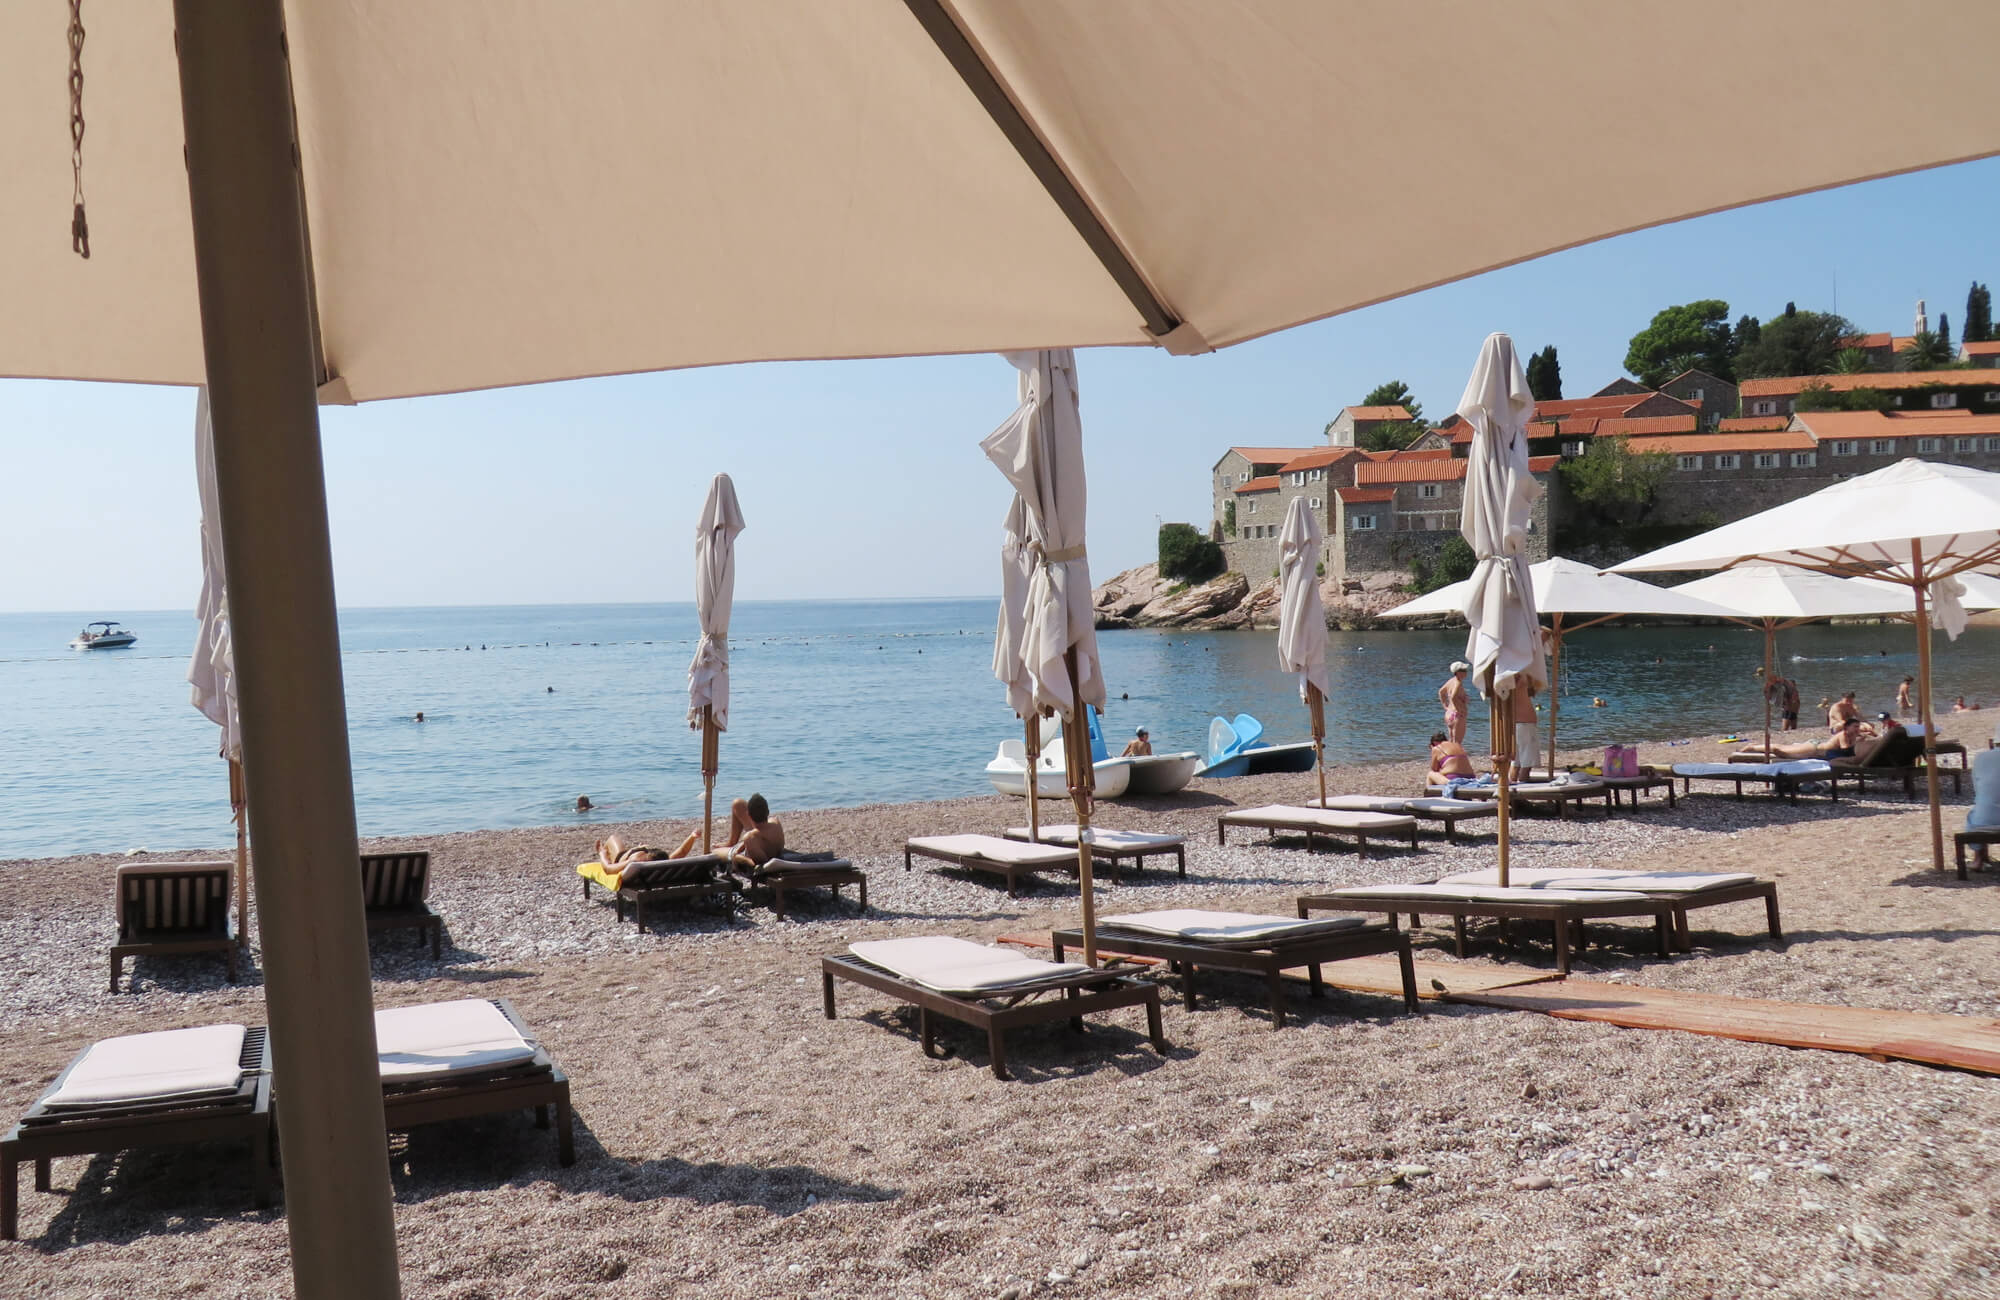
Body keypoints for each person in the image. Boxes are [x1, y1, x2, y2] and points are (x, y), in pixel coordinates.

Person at [596, 794, 787, 878]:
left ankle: (726, 847)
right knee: (737, 803)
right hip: (763, 839)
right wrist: (691, 837)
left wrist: (601, 854)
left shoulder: (750, 838)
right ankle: (729, 842)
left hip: (759, 853)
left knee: (715, 851)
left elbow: (758, 865)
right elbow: (678, 855)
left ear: (751, 817)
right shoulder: (775, 822)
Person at [1764, 717, 1866, 760]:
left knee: (1784, 747)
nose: (1858, 729)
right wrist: (1858, 743)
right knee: (1783, 749)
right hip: (1814, 748)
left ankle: (1755, 748)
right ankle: (1752, 748)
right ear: (1847, 727)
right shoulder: (1843, 735)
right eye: (1855, 726)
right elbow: (1846, 751)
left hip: (1817, 746)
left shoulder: (1854, 735)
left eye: (1858, 726)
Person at [1511, 682, 1540, 781]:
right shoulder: (1519, 682)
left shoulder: (1506, 685)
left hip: (1517, 723)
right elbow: (1533, 690)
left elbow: (1532, 692)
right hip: (1525, 723)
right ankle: (1523, 782)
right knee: (1527, 760)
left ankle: (1513, 781)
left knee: (1517, 761)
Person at [1439, 661, 1470, 744]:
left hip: (1449, 713)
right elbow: (1453, 697)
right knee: (1457, 742)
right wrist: (1460, 709)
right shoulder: (1458, 683)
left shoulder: (1451, 681)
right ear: (1458, 672)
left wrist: (1445, 705)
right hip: (1457, 715)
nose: (1466, 672)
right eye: (1464, 670)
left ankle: (1450, 756)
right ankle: (1456, 756)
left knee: (1452, 740)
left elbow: (1441, 692)